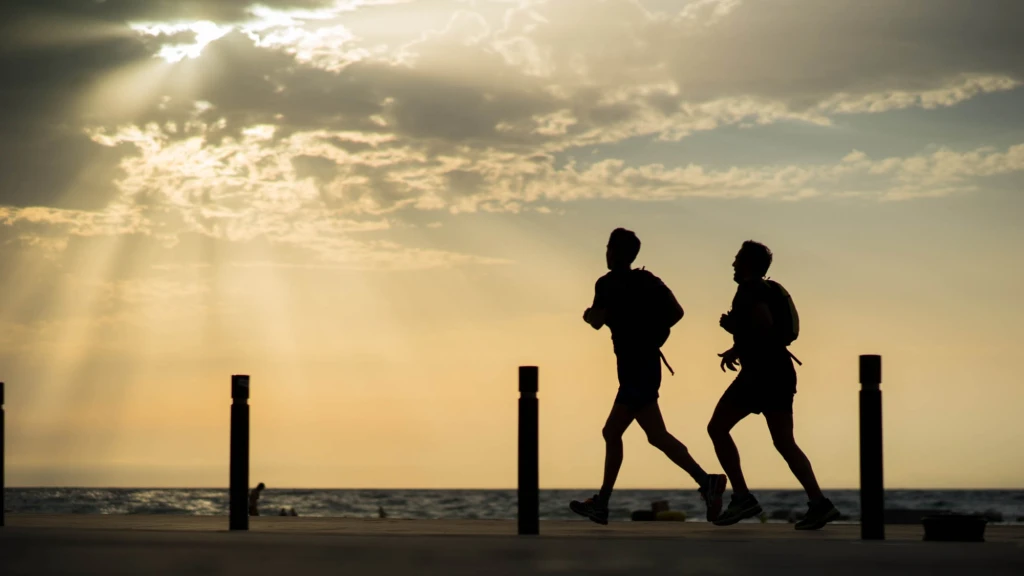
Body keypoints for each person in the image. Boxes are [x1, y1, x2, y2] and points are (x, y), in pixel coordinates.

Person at [570, 228, 727, 525]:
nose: (606, 253)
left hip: (635, 369)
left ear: (615, 251)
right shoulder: (648, 280)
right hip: (645, 365)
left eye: (608, 248)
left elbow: (596, 322)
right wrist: (653, 334)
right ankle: (707, 482)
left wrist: (589, 314)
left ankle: (602, 503)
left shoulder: (606, 283)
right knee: (656, 435)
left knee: (612, 431)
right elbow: (677, 312)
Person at [708, 241, 839, 529]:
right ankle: (819, 504)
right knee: (784, 442)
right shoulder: (765, 289)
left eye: (737, 260)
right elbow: (765, 333)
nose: (732, 265)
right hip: (779, 371)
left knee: (717, 428)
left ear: (748, 265)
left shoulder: (750, 289)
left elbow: (763, 327)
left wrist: (734, 330)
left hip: (760, 375)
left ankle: (742, 498)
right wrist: (736, 349)